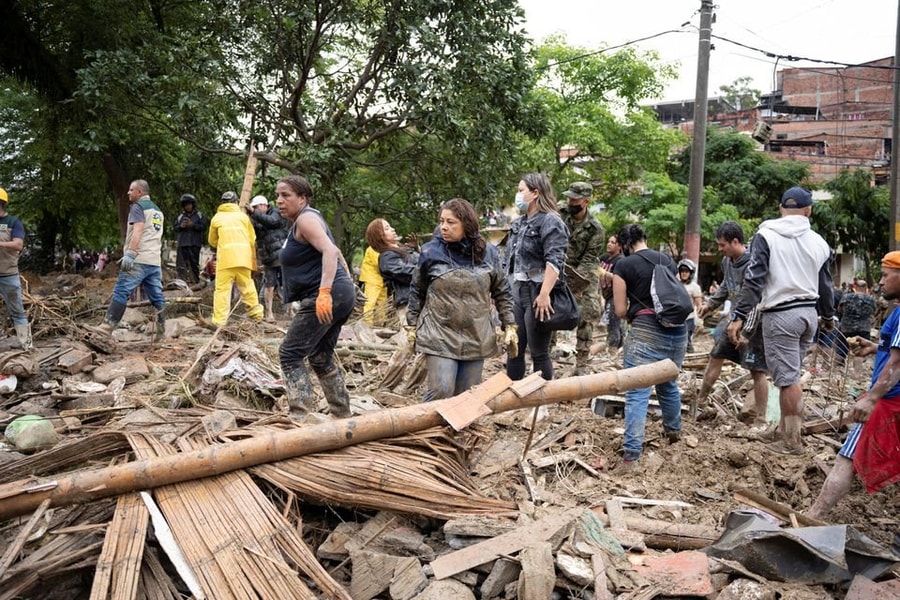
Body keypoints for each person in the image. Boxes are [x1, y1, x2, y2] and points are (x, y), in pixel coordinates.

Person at [727, 186, 834, 454]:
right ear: (809, 210)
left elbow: (755, 279)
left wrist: (739, 315)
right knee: (791, 374)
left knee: (787, 380)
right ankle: (785, 431)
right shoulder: (820, 242)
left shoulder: (766, 235)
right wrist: (829, 315)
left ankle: (792, 442)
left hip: (781, 314)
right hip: (808, 314)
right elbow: (826, 284)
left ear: (780, 208)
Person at [808, 252, 900, 519]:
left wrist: (871, 399)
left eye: (885, 275)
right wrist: (875, 347)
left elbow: (896, 365)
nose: (881, 282)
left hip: (888, 400)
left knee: (845, 460)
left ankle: (813, 517)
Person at [407, 198, 516, 402]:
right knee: (441, 389)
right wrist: (411, 325)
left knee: (466, 396)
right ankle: (428, 432)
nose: (444, 227)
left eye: (451, 222)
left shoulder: (488, 253)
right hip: (439, 332)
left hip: (477, 334)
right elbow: (417, 290)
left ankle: (456, 434)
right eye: (442, 221)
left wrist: (509, 325)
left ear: (466, 223)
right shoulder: (431, 252)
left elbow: (502, 290)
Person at [276, 175, 356, 420]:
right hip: (339, 294)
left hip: (327, 295)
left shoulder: (307, 219)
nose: (279, 200)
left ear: (303, 198)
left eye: (286, 195)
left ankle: (300, 418)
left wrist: (323, 292)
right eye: (277, 195)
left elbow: (330, 250)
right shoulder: (301, 221)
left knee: (290, 354)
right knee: (320, 357)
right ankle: (342, 414)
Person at [612, 223, 687, 471]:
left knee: (637, 391)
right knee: (668, 384)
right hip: (678, 331)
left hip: (646, 329)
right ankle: (674, 432)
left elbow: (621, 310)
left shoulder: (623, 265)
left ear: (624, 245)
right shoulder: (667, 260)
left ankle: (631, 456)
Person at [695, 221, 768, 424]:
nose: (720, 249)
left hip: (754, 323)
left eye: (722, 245)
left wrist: (747, 330)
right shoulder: (727, 263)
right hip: (733, 321)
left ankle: (761, 418)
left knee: (757, 369)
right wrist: (710, 305)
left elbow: (757, 299)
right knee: (715, 356)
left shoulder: (754, 263)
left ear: (735, 241)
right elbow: (726, 287)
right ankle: (700, 400)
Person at [504, 173, 569, 381]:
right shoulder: (519, 223)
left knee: (538, 350)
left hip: (538, 290)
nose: (518, 194)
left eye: (521, 190)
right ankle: (514, 400)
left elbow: (555, 260)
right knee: (514, 347)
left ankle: (540, 405)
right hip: (517, 289)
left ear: (535, 193)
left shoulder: (551, 221)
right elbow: (509, 261)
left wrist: (544, 294)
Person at [96, 179, 166, 342]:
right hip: (154, 261)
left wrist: (131, 253)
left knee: (121, 291)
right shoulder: (158, 211)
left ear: (140, 192)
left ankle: (106, 328)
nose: (128, 192)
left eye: (131, 190)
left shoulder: (138, 207)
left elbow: (138, 230)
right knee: (157, 297)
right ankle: (161, 332)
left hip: (139, 260)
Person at [560, 181, 605, 375]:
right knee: (551, 309)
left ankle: (582, 361)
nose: (570, 201)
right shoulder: (559, 214)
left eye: (575, 199)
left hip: (584, 272)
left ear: (586, 201)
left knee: (587, 313)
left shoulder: (596, 229)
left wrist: (574, 282)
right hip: (558, 266)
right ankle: (544, 352)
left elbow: (588, 261)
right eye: (568, 197)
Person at [207, 191, 264, 326]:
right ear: (236, 202)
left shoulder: (217, 218)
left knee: (222, 290)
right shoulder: (243, 217)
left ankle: (219, 321)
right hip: (243, 259)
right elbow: (252, 239)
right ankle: (256, 314)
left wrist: (222, 244)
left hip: (225, 261)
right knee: (247, 287)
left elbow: (212, 241)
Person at [365, 218, 418, 325]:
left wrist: (416, 249)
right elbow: (407, 273)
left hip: (421, 300)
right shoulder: (387, 257)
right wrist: (429, 270)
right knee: (412, 336)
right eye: (387, 228)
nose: (393, 229)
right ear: (380, 236)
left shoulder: (403, 249)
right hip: (410, 304)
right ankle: (368, 324)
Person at [249, 194, 290, 322]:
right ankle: (269, 313)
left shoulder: (276, 214)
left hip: (281, 255)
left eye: (256, 207)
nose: (254, 210)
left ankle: (289, 311)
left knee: (287, 284)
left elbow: (271, 222)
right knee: (269, 285)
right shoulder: (255, 218)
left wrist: (253, 213)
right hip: (268, 258)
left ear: (263, 206)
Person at [0, 188, 33, 350]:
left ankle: (27, 347)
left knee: (17, 312)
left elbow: (18, 244)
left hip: (8, 274)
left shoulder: (13, 222)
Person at [835, 279, 876, 359]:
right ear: (866, 287)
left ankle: (838, 368)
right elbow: (873, 311)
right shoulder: (871, 299)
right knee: (861, 352)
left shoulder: (846, 297)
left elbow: (839, 310)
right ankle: (857, 371)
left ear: (855, 287)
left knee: (841, 350)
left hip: (846, 328)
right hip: (864, 329)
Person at [598, 234, 624, 351]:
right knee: (613, 323)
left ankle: (613, 347)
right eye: (608, 241)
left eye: (613, 242)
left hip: (616, 294)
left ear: (619, 246)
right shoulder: (603, 258)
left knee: (613, 321)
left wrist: (604, 273)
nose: (609, 244)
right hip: (605, 293)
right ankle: (620, 345)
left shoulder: (621, 260)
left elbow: (619, 278)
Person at [174, 193, 205, 283]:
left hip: (195, 243)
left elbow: (203, 226)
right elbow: (175, 227)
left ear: (193, 204)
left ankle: (195, 281)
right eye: (185, 205)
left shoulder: (199, 215)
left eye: (189, 204)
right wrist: (181, 226)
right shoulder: (180, 216)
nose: (187, 207)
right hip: (183, 243)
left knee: (194, 264)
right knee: (181, 264)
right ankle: (181, 282)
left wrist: (192, 225)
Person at [359, 238, 388, 325]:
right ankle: (367, 324)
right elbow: (380, 264)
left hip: (381, 279)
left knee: (382, 303)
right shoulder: (373, 249)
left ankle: (380, 323)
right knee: (370, 302)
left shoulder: (382, 248)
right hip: (372, 279)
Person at [677, 258, 703, 353]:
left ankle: (689, 355)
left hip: (689, 318)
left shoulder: (694, 287)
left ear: (691, 273)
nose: (684, 273)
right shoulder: (675, 284)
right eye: (682, 271)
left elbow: (699, 304)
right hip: (676, 317)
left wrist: (700, 319)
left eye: (686, 271)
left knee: (686, 339)